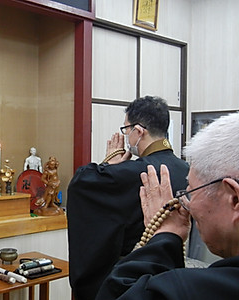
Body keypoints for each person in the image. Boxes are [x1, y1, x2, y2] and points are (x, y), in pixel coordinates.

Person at [97, 112, 239, 299]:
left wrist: (165, 235)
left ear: (234, 199)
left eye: (191, 192)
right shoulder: (179, 166)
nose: (186, 206)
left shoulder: (189, 289)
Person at [66, 96, 189, 300]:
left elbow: (82, 184)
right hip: (173, 268)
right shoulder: (185, 170)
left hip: (133, 276)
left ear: (139, 131)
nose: (126, 137)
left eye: (127, 130)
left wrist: (109, 165)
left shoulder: (134, 172)